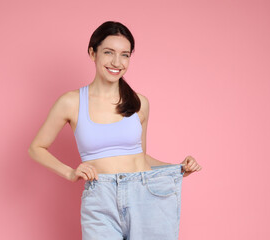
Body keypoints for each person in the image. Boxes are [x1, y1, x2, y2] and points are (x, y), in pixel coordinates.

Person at [28, 20, 202, 240]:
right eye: (109, 52)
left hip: (147, 196)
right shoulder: (71, 102)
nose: (117, 62)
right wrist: (70, 173)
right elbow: (36, 148)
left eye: (125, 55)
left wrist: (177, 168)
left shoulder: (140, 103)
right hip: (101, 197)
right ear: (93, 53)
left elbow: (140, 158)